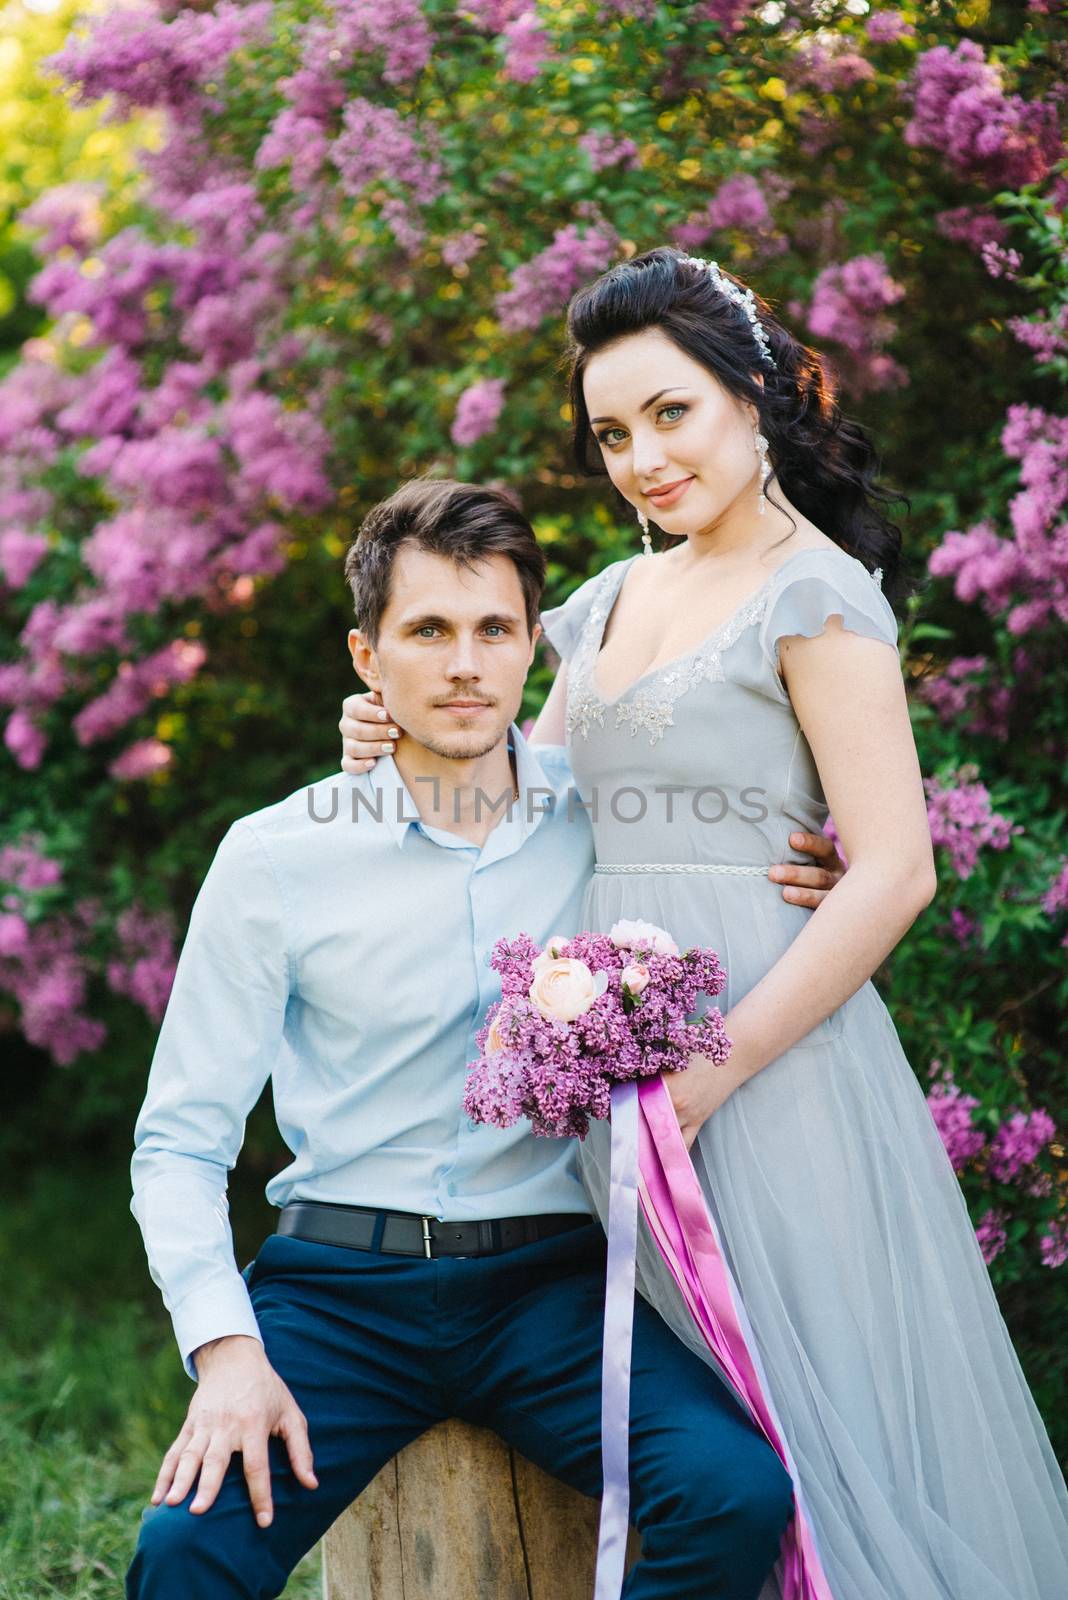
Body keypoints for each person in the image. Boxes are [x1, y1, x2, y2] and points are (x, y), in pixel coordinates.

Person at [338, 249, 1068, 1599]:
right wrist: (389, 733)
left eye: (670, 413)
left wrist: (708, 1075)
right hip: (606, 1068)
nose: (641, 458)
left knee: (807, 1419)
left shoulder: (817, 595)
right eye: (613, 432)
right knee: (661, 1429)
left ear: (755, 394)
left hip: (768, 1073)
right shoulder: (614, 598)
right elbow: (520, 811)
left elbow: (895, 869)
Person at [125, 476, 822, 1600]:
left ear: (532, 646)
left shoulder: (607, 821)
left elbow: (738, 876)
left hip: (551, 1288)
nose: (464, 663)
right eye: (428, 631)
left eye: (494, 628)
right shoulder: (274, 856)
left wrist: (811, 871)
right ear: (368, 656)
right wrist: (229, 1352)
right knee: (182, 1556)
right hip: (338, 1290)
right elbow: (179, 1145)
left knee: (733, 1492)